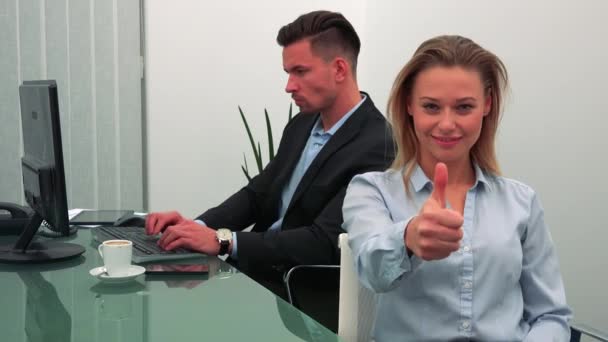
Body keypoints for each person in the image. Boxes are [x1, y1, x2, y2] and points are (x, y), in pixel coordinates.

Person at [145, 10, 394, 300]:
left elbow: (323, 241)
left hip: (298, 293)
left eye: (300, 71)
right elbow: (257, 194)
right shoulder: (302, 124)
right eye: (288, 73)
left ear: (339, 69)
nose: (289, 86)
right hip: (254, 274)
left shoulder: (380, 145)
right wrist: (196, 228)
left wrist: (224, 242)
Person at [342, 35, 572, 341]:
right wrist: (408, 238)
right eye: (432, 107)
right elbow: (371, 270)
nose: (447, 124)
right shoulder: (370, 191)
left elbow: (550, 316)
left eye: (464, 107)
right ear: (409, 104)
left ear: (487, 105)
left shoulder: (522, 202)